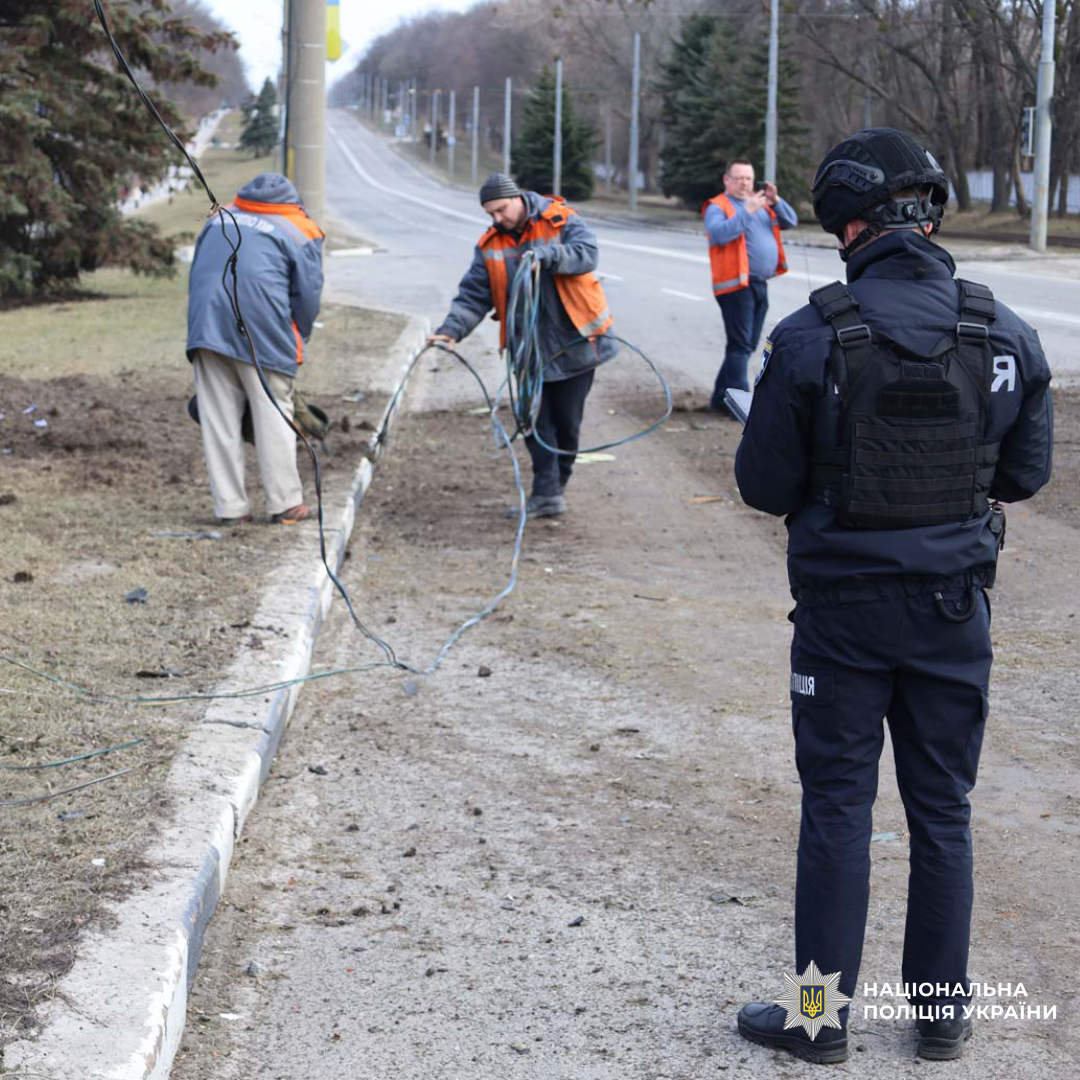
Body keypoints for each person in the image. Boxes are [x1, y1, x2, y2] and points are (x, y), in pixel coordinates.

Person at [732, 129, 1052, 1064]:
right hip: (954, 609)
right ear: (931, 218)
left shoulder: (809, 336)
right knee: (942, 810)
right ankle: (941, 1015)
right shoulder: (1003, 332)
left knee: (837, 811)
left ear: (850, 226)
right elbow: (1025, 476)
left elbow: (762, 485)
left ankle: (817, 1018)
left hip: (843, 616)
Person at [429, 173, 616, 518]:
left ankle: (557, 485)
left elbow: (587, 254)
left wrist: (547, 255)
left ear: (517, 199)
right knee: (534, 423)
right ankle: (545, 494)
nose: (497, 218)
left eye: (501, 209)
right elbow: (473, 295)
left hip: (574, 346)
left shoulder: (560, 220)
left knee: (567, 424)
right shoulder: (490, 246)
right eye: (491, 214)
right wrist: (451, 330)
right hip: (528, 351)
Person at [187, 172, 324, 525]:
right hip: (263, 331)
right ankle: (285, 504)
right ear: (294, 203)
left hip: (207, 326)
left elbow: (198, 274)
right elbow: (308, 297)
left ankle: (230, 509)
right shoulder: (301, 228)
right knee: (274, 412)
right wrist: (299, 335)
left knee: (218, 418)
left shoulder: (218, 218)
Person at [703, 159, 797, 411]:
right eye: (738, 178)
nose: (744, 183)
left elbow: (791, 221)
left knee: (745, 346)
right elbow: (718, 234)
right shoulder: (718, 206)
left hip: (759, 284)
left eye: (748, 178)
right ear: (727, 180)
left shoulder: (762, 204)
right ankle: (740, 405)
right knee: (741, 346)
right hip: (735, 286)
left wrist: (775, 200)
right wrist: (747, 211)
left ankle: (720, 400)